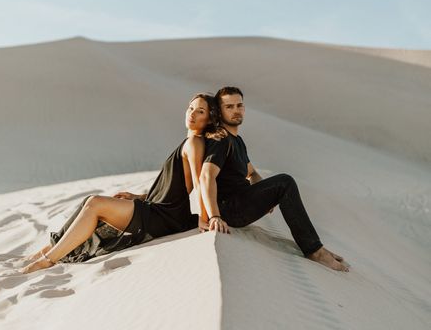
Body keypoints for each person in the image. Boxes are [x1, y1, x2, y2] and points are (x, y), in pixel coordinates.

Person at [19, 93, 219, 274]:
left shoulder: (195, 143)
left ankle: (48, 259)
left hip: (163, 217)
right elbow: (175, 185)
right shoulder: (190, 141)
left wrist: (204, 217)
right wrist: (139, 197)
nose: (192, 114)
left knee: (96, 203)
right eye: (191, 108)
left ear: (209, 119)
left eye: (200, 111)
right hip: (155, 208)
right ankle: (49, 250)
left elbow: (199, 181)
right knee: (90, 201)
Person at [199, 86, 350, 272]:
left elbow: (251, 172)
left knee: (281, 185)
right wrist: (215, 215)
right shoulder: (220, 139)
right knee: (285, 182)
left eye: (239, 105)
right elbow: (206, 175)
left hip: (241, 200)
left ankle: (315, 245)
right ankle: (314, 250)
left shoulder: (236, 140)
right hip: (228, 209)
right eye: (229, 107)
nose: (236, 110)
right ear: (219, 111)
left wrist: (264, 194)